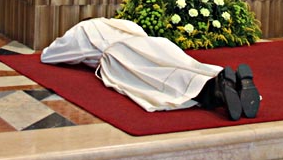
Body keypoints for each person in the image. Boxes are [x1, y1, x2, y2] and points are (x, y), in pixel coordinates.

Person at [41, 18, 261, 120]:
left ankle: (213, 91)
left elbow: (49, 55)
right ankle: (226, 80)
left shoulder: (82, 30)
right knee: (184, 64)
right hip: (153, 43)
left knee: (158, 80)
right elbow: (140, 32)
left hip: (119, 54)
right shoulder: (122, 24)